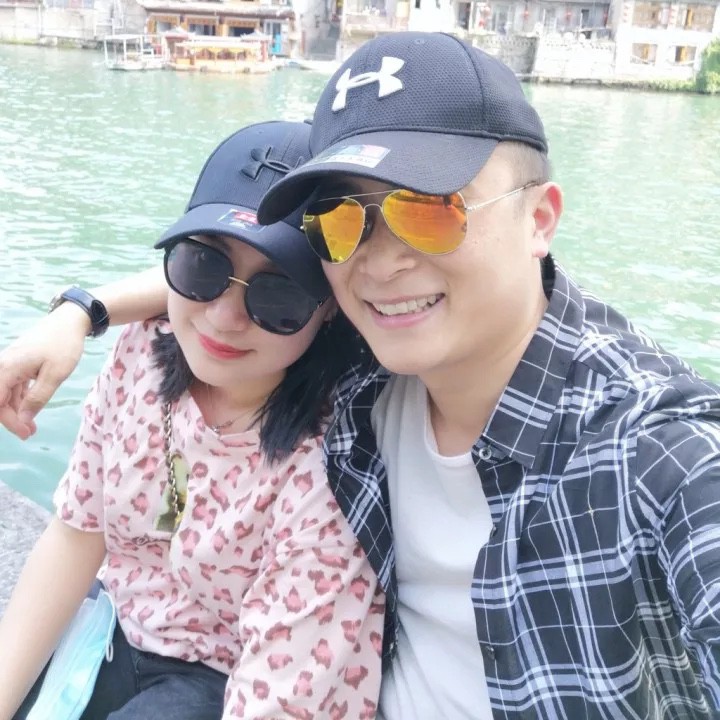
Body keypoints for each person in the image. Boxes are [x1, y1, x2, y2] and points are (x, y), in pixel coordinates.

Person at [2, 32, 719, 719]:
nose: (380, 260)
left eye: (430, 210)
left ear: (540, 218)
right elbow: (222, 293)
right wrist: (82, 310)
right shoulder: (368, 372)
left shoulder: (660, 455)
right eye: (341, 221)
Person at [0, 121, 384, 720]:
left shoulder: (332, 464)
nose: (224, 317)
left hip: (223, 673)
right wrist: (80, 310)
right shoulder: (142, 354)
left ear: (331, 305)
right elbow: (79, 532)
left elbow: (280, 694)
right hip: (116, 620)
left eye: (278, 295)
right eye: (203, 267)